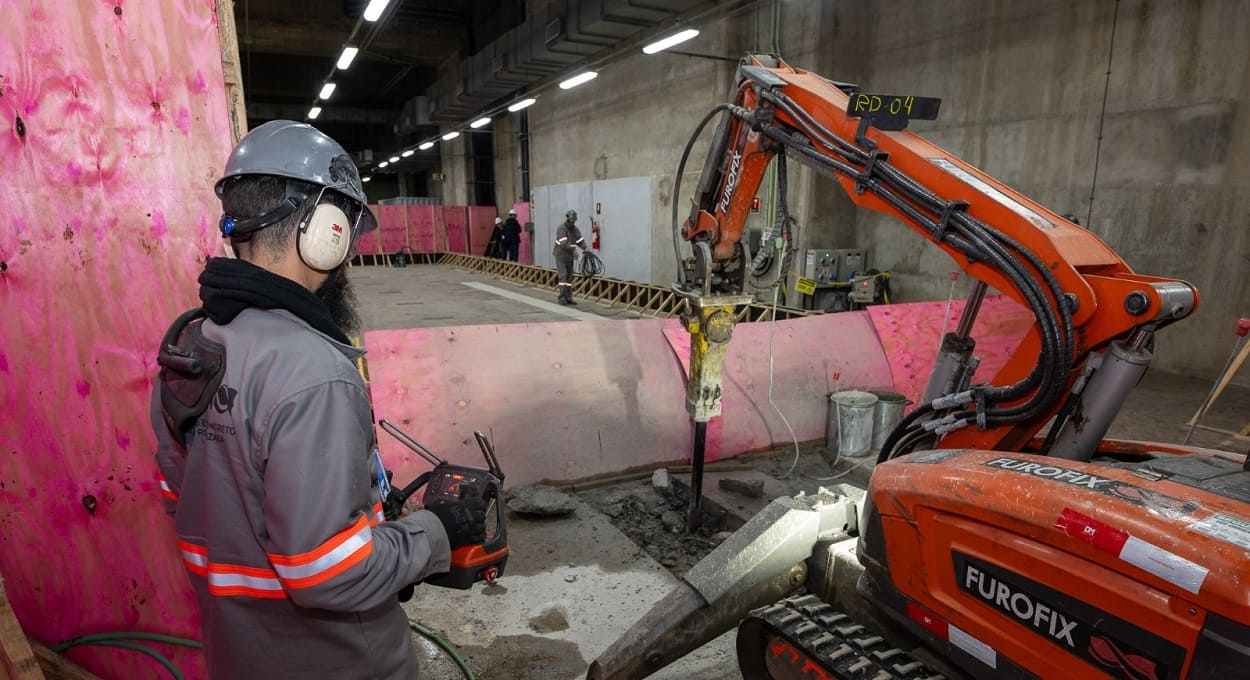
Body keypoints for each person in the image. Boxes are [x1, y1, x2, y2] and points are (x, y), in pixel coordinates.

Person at [151, 120, 486, 680]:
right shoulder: (313, 372)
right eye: (348, 231)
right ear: (327, 230)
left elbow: (188, 502)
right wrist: (435, 534)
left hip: (238, 651)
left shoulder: (188, 345)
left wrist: (377, 544)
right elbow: (325, 572)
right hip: (337, 660)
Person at [553, 209, 588, 304]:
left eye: (573, 221)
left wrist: (585, 248)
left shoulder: (575, 229)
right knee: (563, 277)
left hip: (569, 257)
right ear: (567, 219)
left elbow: (580, 240)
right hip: (561, 256)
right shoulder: (562, 229)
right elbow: (563, 244)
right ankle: (561, 298)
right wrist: (573, 250)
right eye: (570, 221)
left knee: (569, 278)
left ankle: (568, 297)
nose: (572, 223)